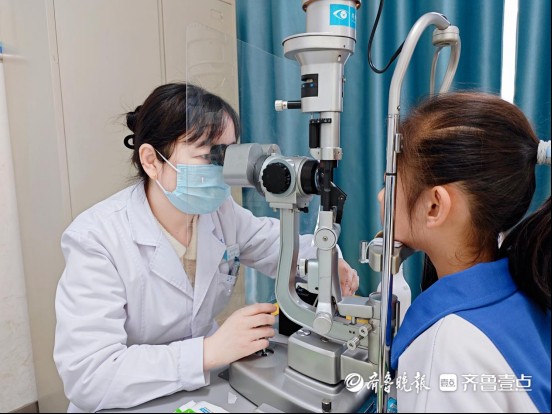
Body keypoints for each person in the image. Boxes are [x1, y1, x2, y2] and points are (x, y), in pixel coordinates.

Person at [53, 83, 360, 413]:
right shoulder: (97, 238)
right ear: (151, 161)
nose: (223, 170)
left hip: (201, 388)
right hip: (122, 401)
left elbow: (280, 247)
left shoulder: (220, 212)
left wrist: (327, 261)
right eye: (208, 156)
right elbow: (89, 376)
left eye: (227, 155)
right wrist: (208, 352)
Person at [377, 92, 551, 412]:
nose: (381, 195)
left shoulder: (446, 349)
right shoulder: (525, 289)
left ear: (434, 206)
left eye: (392, 180)